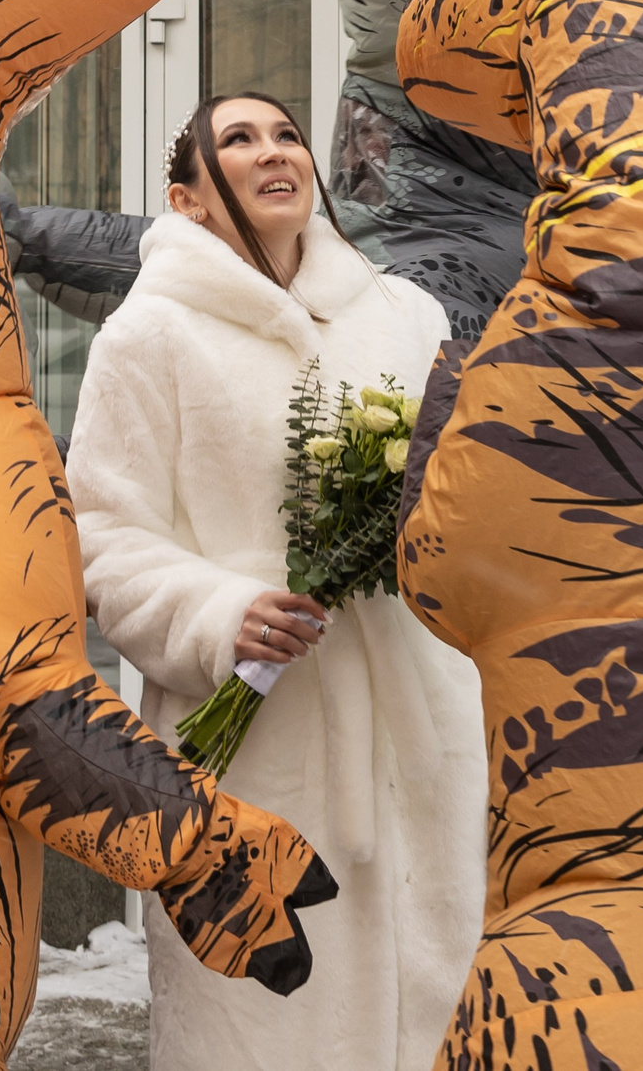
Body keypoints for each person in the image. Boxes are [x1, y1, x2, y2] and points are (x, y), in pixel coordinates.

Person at [67, 91, 486, 1071]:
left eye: (286, 133)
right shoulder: (148, 338)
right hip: (256, 739)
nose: (272, 152)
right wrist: (221, 612)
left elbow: (461, 493)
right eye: (237, 141)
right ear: (189, 199)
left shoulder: (404, 316)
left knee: (438, 997)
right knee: (264, 1020)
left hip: (418, 725)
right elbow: (101, 537)